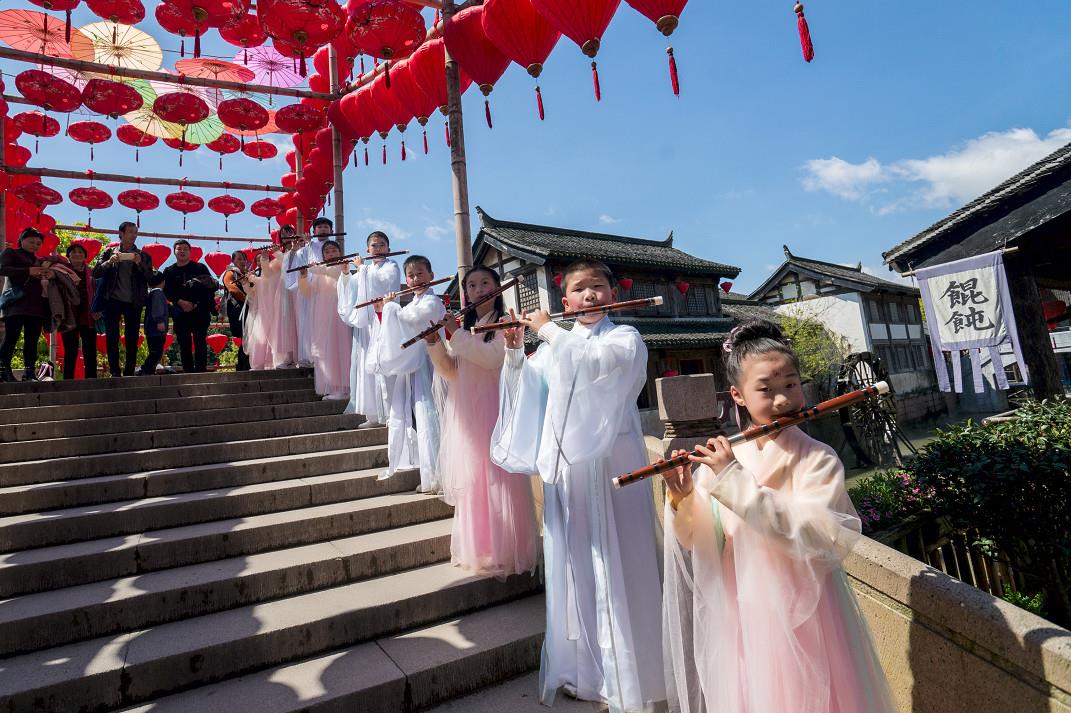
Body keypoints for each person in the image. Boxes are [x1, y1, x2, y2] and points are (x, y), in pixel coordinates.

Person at [660, 320, 895, 713]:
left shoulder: (817, 458)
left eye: (791, 384)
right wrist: (682, 496)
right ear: (738, 395)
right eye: (766, 389)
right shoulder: (725, 458)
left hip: (804, 606)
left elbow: (816, 534)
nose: (784, 399)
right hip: (742, 603)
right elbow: (700, 539)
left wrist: (733, 479)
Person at [491, 259, 666, 711]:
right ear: (565, 301)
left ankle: (630, 678)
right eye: (579, 289)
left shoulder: (624, 338)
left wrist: (549, 330)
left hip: (613, 465)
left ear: (612, 294)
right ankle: (584, 672)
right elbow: (531, 394)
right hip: (569, 473)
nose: (590, 295)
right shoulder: (554, 346)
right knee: (575, 567)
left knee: (620, 562)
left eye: (598, 287)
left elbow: (597, 366)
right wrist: (515, 353)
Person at [425, 266, 538, 578]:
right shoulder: (466, 328)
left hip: (494, 410)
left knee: (498, 478)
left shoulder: (505, 324)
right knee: (474, 478)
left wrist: (455, 334)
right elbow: (452, 371)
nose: (478, 289)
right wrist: (435, 344)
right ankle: (480, 548)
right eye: (472, 285)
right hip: (468, 413)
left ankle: (506, 549)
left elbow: (492, 358)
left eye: (485, 283)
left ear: (497, 288)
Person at [370, 254, 445, 493]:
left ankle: (440, 476)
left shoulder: (433, 302)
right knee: (419, 421)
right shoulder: (412, 303)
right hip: (414, 368)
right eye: (410, 276)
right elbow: (400, 329)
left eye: (420, 273)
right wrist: (384, 311)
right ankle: (432, 473)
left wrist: (391, 307)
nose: (415, 279)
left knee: (432, 418)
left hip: (432, 365)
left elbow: (414, 318)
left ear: (431, 275)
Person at [336, 230, 399, 425]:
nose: (378, 248)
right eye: (374, 245)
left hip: (383, 322)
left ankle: (391, 414)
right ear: (367, 250)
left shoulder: (391, 266)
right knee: (366, 368)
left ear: (388, 248)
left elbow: (383, 284)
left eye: (381, 245)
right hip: (366, 326)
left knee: (385, 365)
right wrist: (346, 273)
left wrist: (361, 269)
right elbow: (351, 290)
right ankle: (372, 414)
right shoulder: (365, 269)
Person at [91, 221, 154, 376]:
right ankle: (114, 371)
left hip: (134, 301)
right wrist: (109, 262)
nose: (134, 235)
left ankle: (129, 371)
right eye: (130, 231)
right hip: (112, 300)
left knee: (132, 338)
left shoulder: (143, 255)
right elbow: (96, 273)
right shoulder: (108, 252)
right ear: (121, 233)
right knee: (112, 336)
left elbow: (150, 278)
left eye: (135, 232)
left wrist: (139, 263)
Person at [297, 239, 351, 399]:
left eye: (334, 251)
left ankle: (344, 388)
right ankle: (332, 386)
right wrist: (303, 276)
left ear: (340, 252)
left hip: (339, 315)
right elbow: (307, 292)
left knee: (341, 349)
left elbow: (336, 274)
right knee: (326, 352)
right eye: (327, 252)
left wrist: (319, 269)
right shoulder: (318, 273)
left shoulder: (344, 267)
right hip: (322, 317)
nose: (330, 254)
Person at [0, 228, 52, 382]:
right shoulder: (11, 252)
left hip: (36, 306)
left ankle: (29, 372)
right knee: (11, 338)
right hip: (16, 304)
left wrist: (45, 274)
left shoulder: (40, 260)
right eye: (31, 241)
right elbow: (2, 269)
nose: (34, 245)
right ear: (22, 240)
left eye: (38, 243)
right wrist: (28, 271)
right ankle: (3, 370)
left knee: (32, 341)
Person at [284, 217, 335, 367]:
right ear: (314, 231)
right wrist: (302, 248)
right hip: (308, 290)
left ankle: (326, 356)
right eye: (319, 227)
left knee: (327, 322)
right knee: (306, 323)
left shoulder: (333, 248)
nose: (323, 229)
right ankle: (307, 357)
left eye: (326, 227)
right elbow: (295, 271)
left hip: (327, 290)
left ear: (331, 230)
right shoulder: (305, 250)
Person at [164, 239, 216, 373]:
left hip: (200, 312)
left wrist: (195, 303)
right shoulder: (169, 271)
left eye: (185, 249)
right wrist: (180, 302)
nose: (182, 251)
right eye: (179, 249)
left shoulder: (200, 268)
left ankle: (201, 371)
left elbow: (209, 286)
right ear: (174, 252)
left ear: (190, 252)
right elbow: (167, 291)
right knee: (183, 343)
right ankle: (187, 372)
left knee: (200, 341)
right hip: (180, 312)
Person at [60, 242, 98, 380]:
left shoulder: (92, 272)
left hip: (88, 316)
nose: (77, 254)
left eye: (80, 252)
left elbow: (98, 292)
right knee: (70, 350)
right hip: (69, 315)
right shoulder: (62, 271)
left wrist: (98, 309)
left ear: (85, 256)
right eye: (73, 252)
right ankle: (68, 381)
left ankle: (91, 380)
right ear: (68, 256)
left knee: (90, 350)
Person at [242, 249, 276, 370]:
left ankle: (272, 362)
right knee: (259, 337)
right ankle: (259, 363)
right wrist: (245, 284)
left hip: (273, 309)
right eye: (257, 260)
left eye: (262, 259)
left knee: (272, 335)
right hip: (261, 311)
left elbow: (267, 283)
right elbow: (252, 294)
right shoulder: (257, 275)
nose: (260, 262)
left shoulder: (273, 271)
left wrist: (253, 278)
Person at [271, 227, 299, 368]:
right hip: (285, 290)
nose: (287, 236)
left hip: (299, 288)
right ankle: (289, 357)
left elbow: (291, 264)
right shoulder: (282, 254)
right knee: (287, 322)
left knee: (300, 321)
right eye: (283, 234)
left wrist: (278, 253)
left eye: (289, 233)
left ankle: (301, 356)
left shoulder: (301, 249)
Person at [222, 250, 251, 371]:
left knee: (248, 337)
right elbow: (232, 288)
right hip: (239, 309)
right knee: (247, 336)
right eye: (239, 259)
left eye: (244, 259)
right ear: (233, 261)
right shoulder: (231, 272)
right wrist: (247, 300)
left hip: (247, 308)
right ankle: (243, 366)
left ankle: (244, 365)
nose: (242, 261)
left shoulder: (246, 274)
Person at [137, 272, 169, 376]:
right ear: (163, 282)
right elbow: (157, 308)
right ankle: (144, 369)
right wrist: (160, 321)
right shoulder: (158, 293)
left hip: (150, 329)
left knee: (154, 351)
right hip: (156, 329)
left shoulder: (151, 293)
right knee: (157, 353)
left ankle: (149, 371)